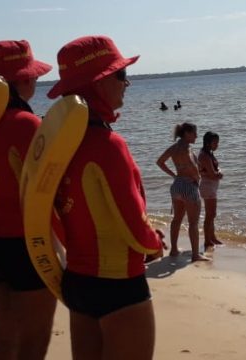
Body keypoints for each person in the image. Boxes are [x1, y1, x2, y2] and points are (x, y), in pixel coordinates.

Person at [48, 35, 166, 360]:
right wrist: (154, 244)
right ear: (98, 82)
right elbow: (132, 219)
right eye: (121, 75)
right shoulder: (107, 145)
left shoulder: (57, 146)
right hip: (119, 285)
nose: (127, 83)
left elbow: (47, 212)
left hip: (78, 280)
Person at [0, 39, 56, 360]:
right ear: (23, 80)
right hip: (22, 243)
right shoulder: (27, 124)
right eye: (32, 76)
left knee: (4, 332)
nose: (36, 81)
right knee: (34, 336)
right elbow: (50, 186)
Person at [157, 122, 210, 262]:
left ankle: (174, 250)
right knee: (193, 223)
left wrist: (174, 175)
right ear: (187, 133)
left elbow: (160, 161)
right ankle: (195, 255)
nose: (197, 136)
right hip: (188, 186)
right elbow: (192, 166)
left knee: (177, 219)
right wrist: (197, 176)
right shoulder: (186, 148)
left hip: (177, 185)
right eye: (194, 133)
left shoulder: (174, 147)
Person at [198, 131, 223, 250]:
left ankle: (212, 237)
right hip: (208, 186)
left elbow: (209, 171)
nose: (217, 145)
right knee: (210, 214)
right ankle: (207, 240)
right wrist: (219, 174)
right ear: (208, 143)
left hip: (211, 186)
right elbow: (212, 174)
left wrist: (216, 173)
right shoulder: (204, 155)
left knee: (212, 214)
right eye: (215, 143)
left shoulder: (209, 154)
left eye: (218, 142)